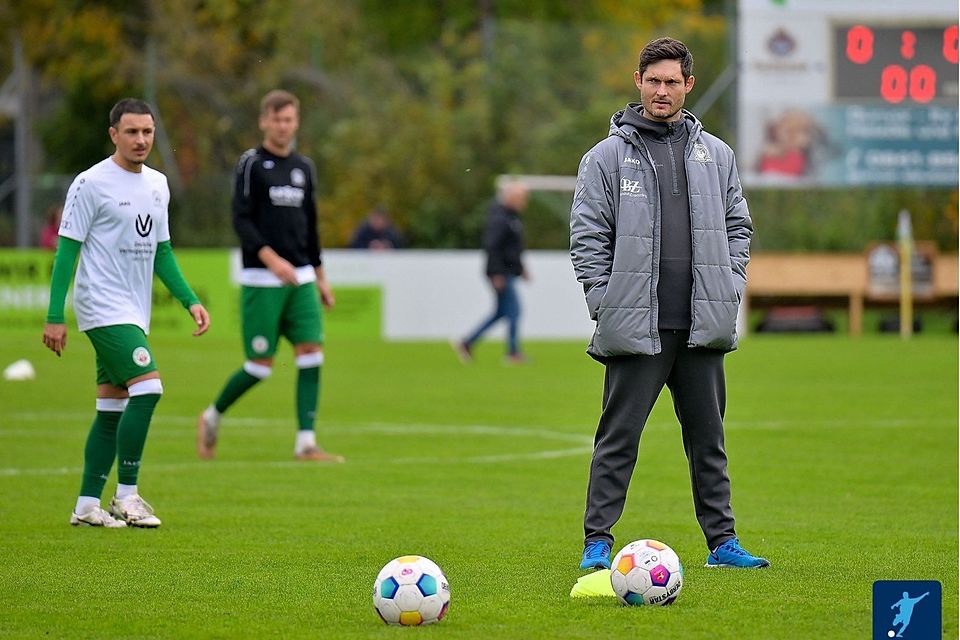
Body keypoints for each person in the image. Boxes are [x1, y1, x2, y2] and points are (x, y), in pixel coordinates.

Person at [570, 38, 768, 570]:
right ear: (638, 81)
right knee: (618, 441)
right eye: (653, 80)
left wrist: (728, 286)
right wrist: (604, 300)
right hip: (637, 326)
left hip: (702, 324)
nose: (662, 91)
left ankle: (723, 544)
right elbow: (587, 236)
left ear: (688, 86)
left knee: (709, 443)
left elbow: (738, 227)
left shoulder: (717, 155)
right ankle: (598, 542)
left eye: (672, 82)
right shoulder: (606, 156)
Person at [42, 98, 210, 528]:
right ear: (113, 134)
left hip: (134, 310)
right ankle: (127, 495)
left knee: (111, 409)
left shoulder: (158, 184)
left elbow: (163, 252)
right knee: (148, 388)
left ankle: (85, 506)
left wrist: (190, 300)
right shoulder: (90, 183)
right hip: (100, 304)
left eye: (148, 132)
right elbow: (67, 251)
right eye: (131, 131)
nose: (141, 140)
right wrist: (54, 314)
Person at [197, 90, 343, 463]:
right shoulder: (250, 164)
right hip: (262, 280)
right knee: (259, 367)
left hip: (304, 279)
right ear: (264, 121)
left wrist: (322, 278)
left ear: (296, 123)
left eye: (289, 120)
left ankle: (306, 443)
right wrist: (272, 260)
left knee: (311, 353)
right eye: (277, 119)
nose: (283, 126)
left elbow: (311, 229)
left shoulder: (304, 168)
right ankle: (212, 416)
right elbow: (240, 220)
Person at [454, 180, 529, 364]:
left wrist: (521, 268)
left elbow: (512, 248)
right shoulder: (500, 217)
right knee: (514, 311)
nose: (524, 202)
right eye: (522, 198)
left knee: (502, 312)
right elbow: (493, 247)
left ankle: (467, 342)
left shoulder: (511, 217)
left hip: (507, 271)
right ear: (512, 197)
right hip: (501, 272)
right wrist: (496, 273)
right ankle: (512, 353)